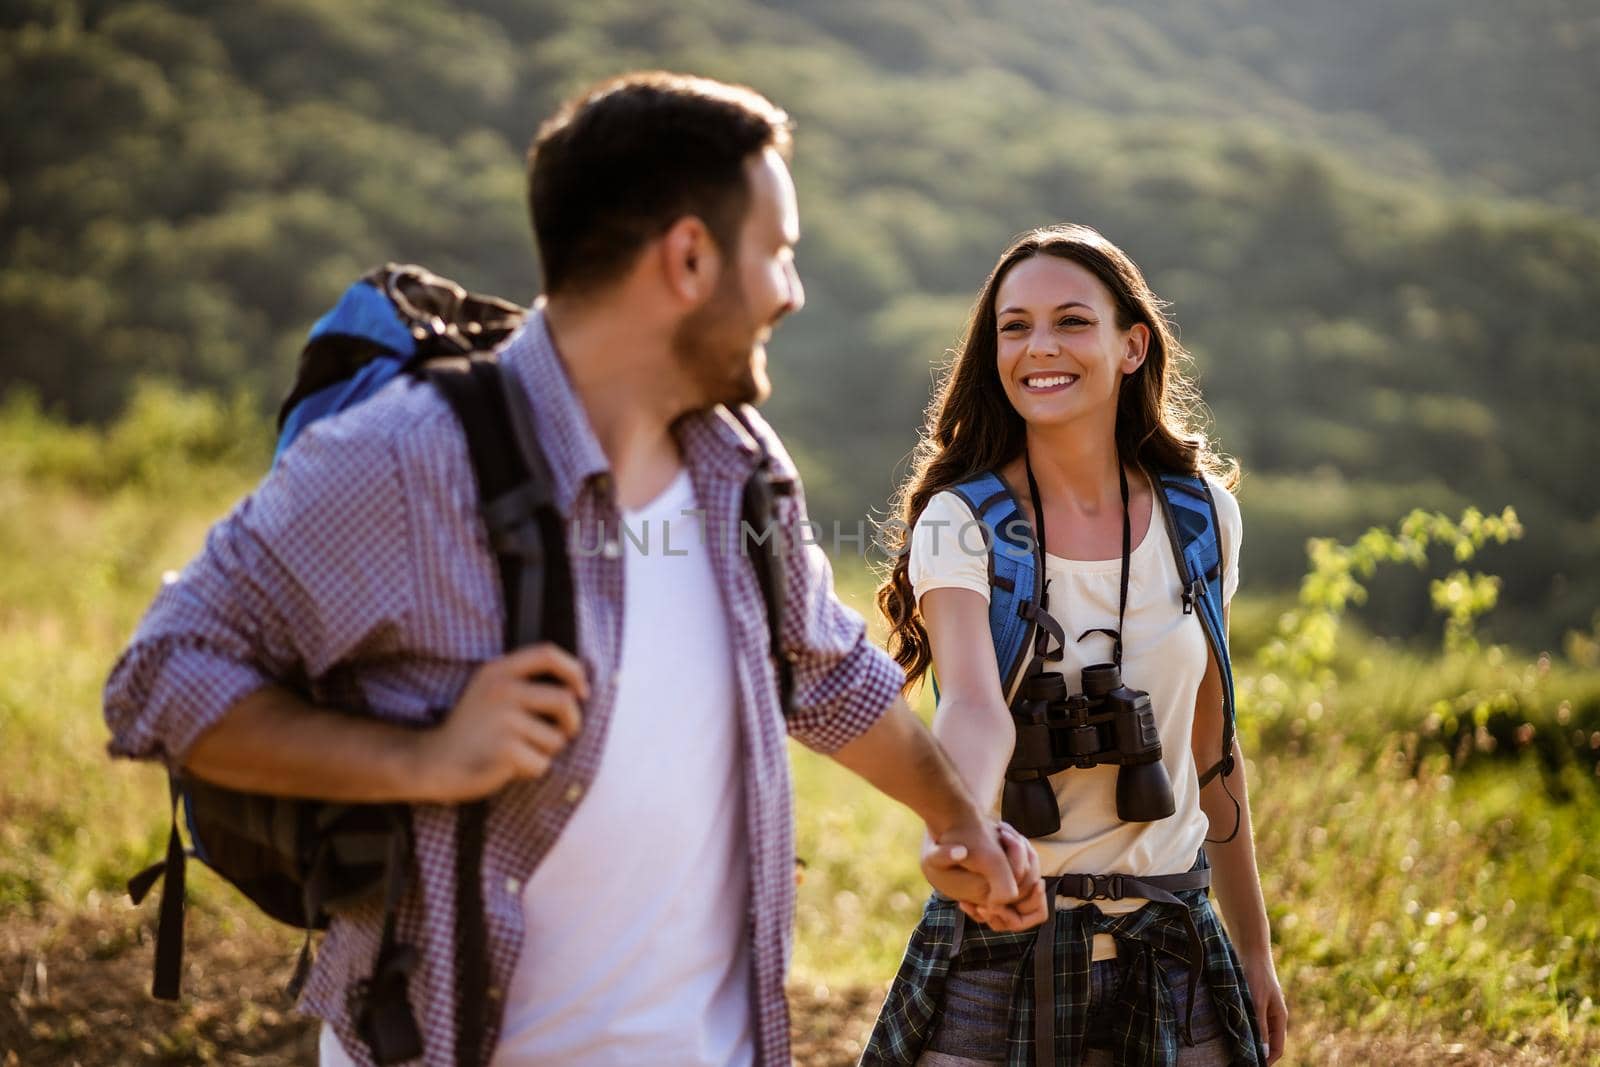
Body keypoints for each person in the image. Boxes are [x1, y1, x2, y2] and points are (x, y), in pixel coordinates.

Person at [102, 72, 1047, 1067]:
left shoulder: (742, 464)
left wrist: (961, 821)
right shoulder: (410, 460)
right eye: (776, 253)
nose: (790, 290)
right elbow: (160, 677)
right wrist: (422, 762)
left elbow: (827, 676)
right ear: (687, 256)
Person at [862, 224, 1289, 1066]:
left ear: (1133, 345)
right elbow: (975, 709)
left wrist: (1255, 946)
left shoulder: (1201, 519)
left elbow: (1213, 751)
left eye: (1070, 321)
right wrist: (958, 833)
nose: (1038, 347)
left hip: (1173, 943)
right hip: (1003, 937)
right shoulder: (964, 520)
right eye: (1013, 327)